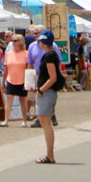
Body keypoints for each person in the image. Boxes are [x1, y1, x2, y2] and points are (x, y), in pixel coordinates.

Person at [34, 30, 63, 164]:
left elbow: (53, 77)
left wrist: (41, 89)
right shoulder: (51, 55)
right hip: (47, 91)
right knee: (44, 121)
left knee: (45, 122)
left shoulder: (49, 56)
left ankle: (50, 155)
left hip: (47, 92)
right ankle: (49, 154)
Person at [0, 35, 28, 127]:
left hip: (22, 80)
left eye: (15, 40)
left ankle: (24, 120)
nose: (13, 42)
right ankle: (6, 120)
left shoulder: (26, 53)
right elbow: (6, 68)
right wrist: (3, 81)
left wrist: (27, 82)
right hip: (10, 79)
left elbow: (28, 68)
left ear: (20, 42)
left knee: (22, 100)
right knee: (9, 99)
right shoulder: (9, 54)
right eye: (12, 41)